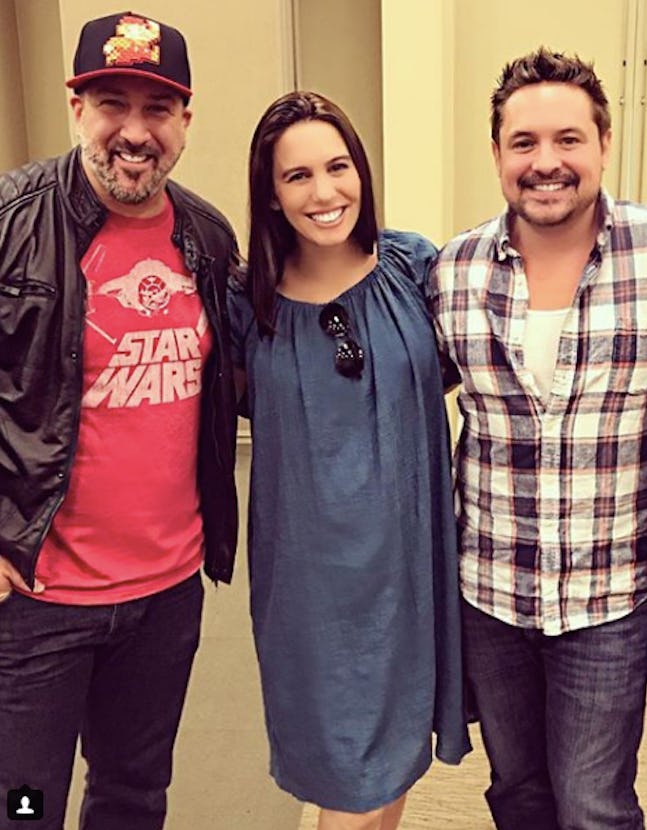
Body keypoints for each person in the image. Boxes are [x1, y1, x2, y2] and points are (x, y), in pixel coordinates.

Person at [428, 48, 647, 829]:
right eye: (524, 143)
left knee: (593, 805)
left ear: (604, 144)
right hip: (491, 586)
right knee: (516, 793)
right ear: (498, 153)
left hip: (608, 590)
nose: (547, 163)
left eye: (568, 140)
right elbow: (402, 401)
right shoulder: (455, 270)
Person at [0, 12, 238, 830]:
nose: (133, 132)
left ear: (185, 121)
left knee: (133, 795)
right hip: (35, 595)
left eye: (157, 107)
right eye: (111, 103)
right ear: (75, 108)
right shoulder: (9, 224)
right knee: (23, 806)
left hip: (165, 596)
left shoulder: (208, 238)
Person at [227, 91, 470, 830]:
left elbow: (450, 371)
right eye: (297, 176)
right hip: (309, 582)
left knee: (392, 758)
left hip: (407, 564)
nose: (324, 191)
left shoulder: (413, 267)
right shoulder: (247, 301)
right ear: (270, 194)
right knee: (345, 770)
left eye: (337, 166)